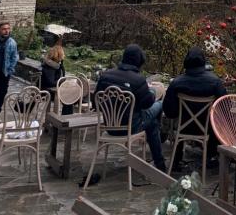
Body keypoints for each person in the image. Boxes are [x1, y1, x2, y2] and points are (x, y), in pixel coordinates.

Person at [94, 44, 166, 172]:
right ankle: (160, 160)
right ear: (139, 61)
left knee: (150, 120)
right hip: (131, 127)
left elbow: (96, 103)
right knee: (158, 107)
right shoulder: (138, 80)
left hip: (109, 128)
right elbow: (147, 104)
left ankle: (159, 145)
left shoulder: (105, 76)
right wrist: (152, 92)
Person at [163, 46, 226, 171]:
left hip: (183, 126)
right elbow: (224, 107)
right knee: (217, 120)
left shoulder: (177, 82)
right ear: (204, 62)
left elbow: (169, 111)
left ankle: (176, 158)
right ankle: (211, 156)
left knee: (179, 119)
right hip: (207, 127)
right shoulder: (215, 82)